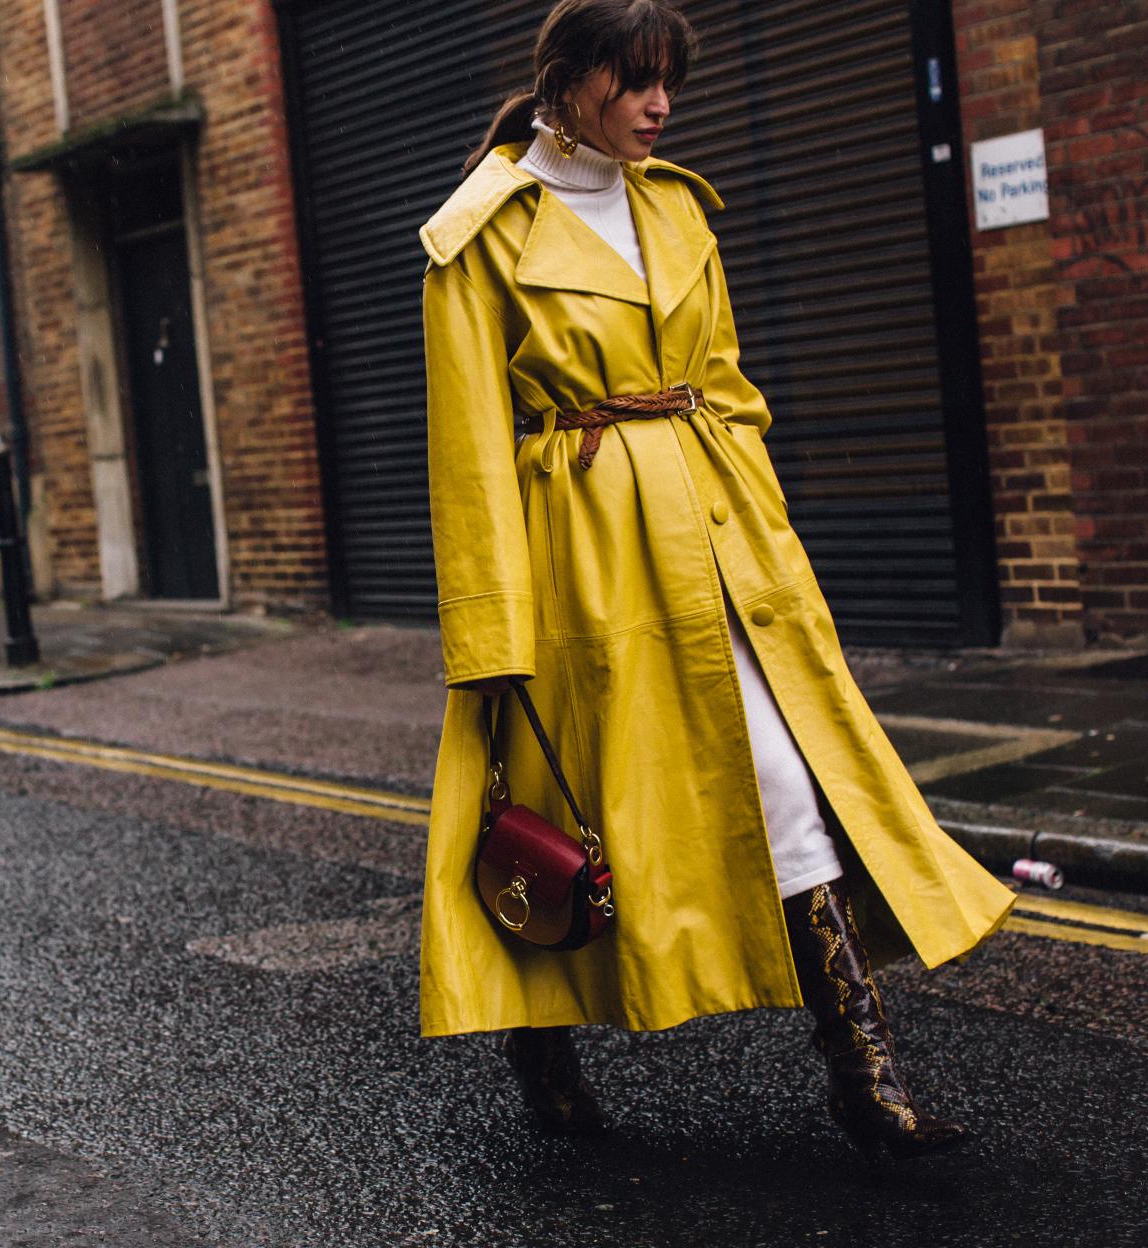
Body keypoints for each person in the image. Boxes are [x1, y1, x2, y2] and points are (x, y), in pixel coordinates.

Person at [417, 0, 1015, 1160]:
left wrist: (770, 539)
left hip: (720, 543)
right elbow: (469, 454)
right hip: (583, 561)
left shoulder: (680, 207)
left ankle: (865, 1078)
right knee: (573, 813)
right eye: (638, 82)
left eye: (671, 84)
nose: (661, 107)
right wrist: (490, 635)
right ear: (570, 80)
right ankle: (539, 1038)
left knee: (787, 781)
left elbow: (730, 391)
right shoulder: (480, 233)